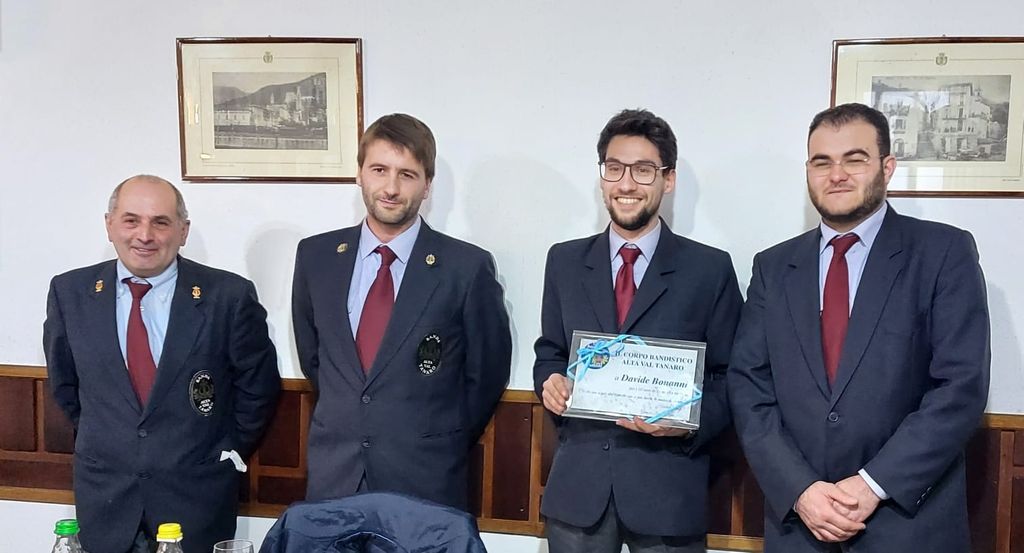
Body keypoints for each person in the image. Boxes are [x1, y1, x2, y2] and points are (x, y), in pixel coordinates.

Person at [728, 103, 990, 552]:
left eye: (855, 159)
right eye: (822, 162)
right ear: (808, 172)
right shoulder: (773, 267)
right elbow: (749, 386)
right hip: (800, 525)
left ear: (887, 167)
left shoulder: (943, 252)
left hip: (907, 524)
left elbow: (960, 387)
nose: (837, 175)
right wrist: (800, 489)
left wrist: (871, 485)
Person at [534, 108, 743, 553]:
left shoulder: (709, 269)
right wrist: (549, 381)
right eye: (614, 168)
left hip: (668, 494)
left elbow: (733, 378)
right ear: (602, 177)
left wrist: (685, 424)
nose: (626, 184)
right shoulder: (565, 262)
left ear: (668, 179)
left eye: (643, 170)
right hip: (578, 492)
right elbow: (549, 351)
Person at [43, 175, 281, 553]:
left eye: (161, 222)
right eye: (131, 220)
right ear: (109, 225)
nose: (145, 235)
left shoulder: (228, 296)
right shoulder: (70, 293)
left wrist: (223, 450)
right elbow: (65, 385)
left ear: (183, 231)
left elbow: (258, 388)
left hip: (196, 497)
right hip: (105, 499)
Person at [292, 113, 512, 511]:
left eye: (407, 175)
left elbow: (486, 374)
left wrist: (436, 436)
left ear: (427, 185)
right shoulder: (316, 257)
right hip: (334, 477)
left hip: (425, 480)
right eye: (379, 170)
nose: (391, 188)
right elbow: (315, 359)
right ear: (359, 173)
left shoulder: (465, 268)